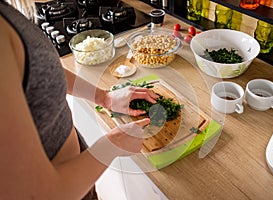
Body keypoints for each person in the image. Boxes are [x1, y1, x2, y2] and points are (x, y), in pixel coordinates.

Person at [0, 0, 158, 199]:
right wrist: (113, 143)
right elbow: (37, 194)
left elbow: (39, 69)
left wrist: (104, 97)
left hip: (78, 182)